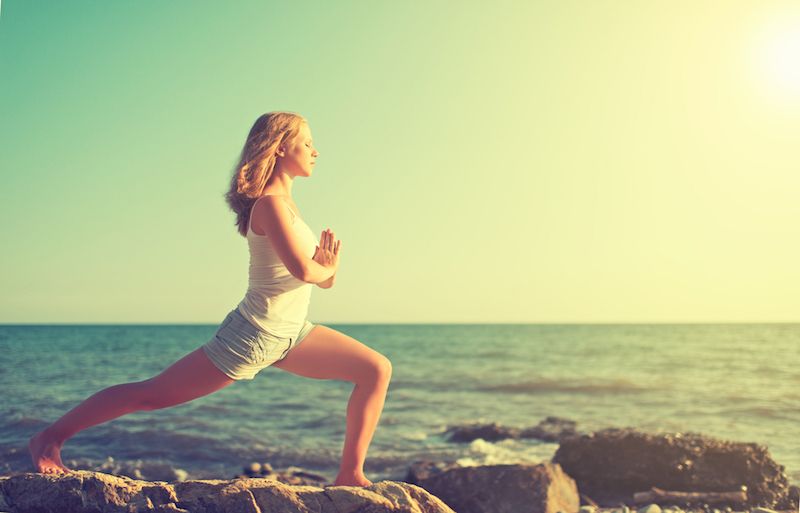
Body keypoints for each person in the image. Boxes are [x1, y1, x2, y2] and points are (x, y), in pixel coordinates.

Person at [28, 111, 392, 488]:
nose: (316, 151)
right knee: (151, 395)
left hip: (292, 334)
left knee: (375, 369)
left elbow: (322, 280)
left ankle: (349, 474)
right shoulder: (269, 205)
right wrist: (325, 266)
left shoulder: (290, 207)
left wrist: (328, 267)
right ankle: (48, 439)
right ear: (282, 147)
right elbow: (306, 271)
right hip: (253, 334)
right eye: (307, 143)